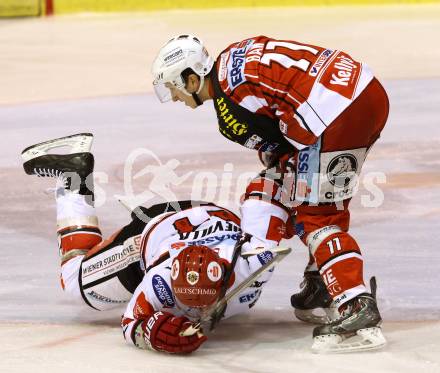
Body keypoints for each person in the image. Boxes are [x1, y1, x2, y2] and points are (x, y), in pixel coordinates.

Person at [151, 35, 389, 352]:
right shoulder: (232, 55)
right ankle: (322, 283)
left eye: (173, 87)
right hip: (365, 91)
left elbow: (281, 152)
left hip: (336, 116)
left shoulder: (230, 113)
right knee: (321, 198)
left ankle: (354, 303)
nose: (175, 97)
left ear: (192, 79)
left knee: (314, 217)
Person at [21, 133, 291, 354]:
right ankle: (72, 178)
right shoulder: (159, 280)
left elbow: (269, 191)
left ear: (223, 281)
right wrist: (152, 333)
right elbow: (130, 323)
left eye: (202, 305)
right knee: (72, 282)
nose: (196, 313)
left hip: (201, 216)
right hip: (154, 231)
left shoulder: (256, 261)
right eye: (187, 303)